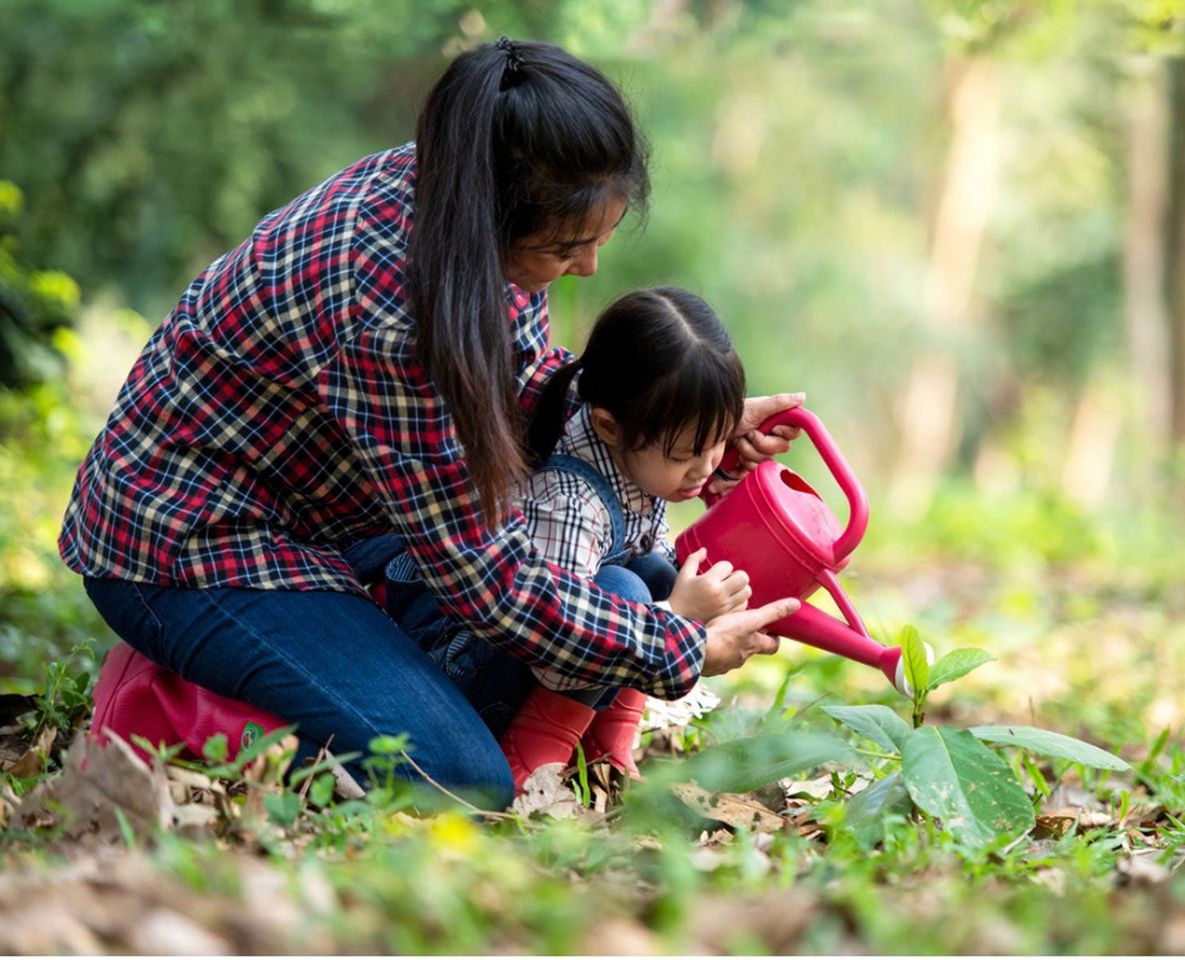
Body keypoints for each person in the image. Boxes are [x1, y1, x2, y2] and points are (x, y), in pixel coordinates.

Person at [60, 38, 801, 810]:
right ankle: (170, 700)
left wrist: (677, 430)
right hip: (196, 543)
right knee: (458, 777)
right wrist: (678, 646)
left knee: (605, 590)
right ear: (498, 221)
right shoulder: (393, 311)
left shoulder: (465, 183)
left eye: (597, 243)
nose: (585, 270)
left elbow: (518, 386)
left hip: (342, 504)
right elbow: (490, 582)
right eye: (564, 249)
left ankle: (309, 659)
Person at [384, 286, 752, 790]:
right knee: (626, 592)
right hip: (472, 671)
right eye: (688, 452)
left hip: (543, 653)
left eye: (718, 443)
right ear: (608, 425)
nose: (706, 467)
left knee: (657, 574)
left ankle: (604, 750)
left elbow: (659, 554)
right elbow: (558, 651)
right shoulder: (570, 499)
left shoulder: (640, 460)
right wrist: (679, 622)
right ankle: (533, 757)